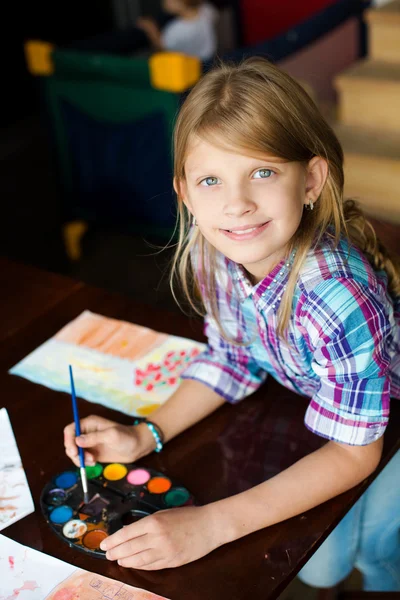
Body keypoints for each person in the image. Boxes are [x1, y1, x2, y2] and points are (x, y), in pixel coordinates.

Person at [64, 57, 400, 591]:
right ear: (186, 194)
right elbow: (232, 357)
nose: (237, 204)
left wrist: (213, 523)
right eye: (211, 180)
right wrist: (143, 434)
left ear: (311, 180)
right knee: (324, 564)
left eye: (262, 172)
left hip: (382, 424)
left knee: (378, 557)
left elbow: (355, 451)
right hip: (328, 408)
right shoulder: (216, 255)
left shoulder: (340, 299)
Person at [136, 0, 218, 60]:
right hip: (209, 59)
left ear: (181, 3)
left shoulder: (176, 29)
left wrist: (151, 28)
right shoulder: (207, 10)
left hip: (187, 68)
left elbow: (163, 47)